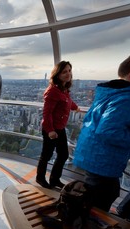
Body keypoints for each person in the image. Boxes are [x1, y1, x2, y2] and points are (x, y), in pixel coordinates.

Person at [73, 52, 130, 212]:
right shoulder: (128, 98)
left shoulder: (108, 92)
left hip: (93, 155)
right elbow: (108, 130)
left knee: (98, 195)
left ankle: (85, 226)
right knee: (103, 198)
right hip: (103, 160)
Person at [36, 61, 79, 189]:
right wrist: (50, 130)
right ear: (57, 74)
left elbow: (67, 102)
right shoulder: (53, 91)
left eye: (69, 70)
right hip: (51, 129)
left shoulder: (63, 89)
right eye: (64, 71)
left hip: (59, 128)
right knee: (47, 155)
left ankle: (54, 179)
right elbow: (47, 112)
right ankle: (40, 178)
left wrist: (76, 107)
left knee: (63, 154)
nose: (68, 74)